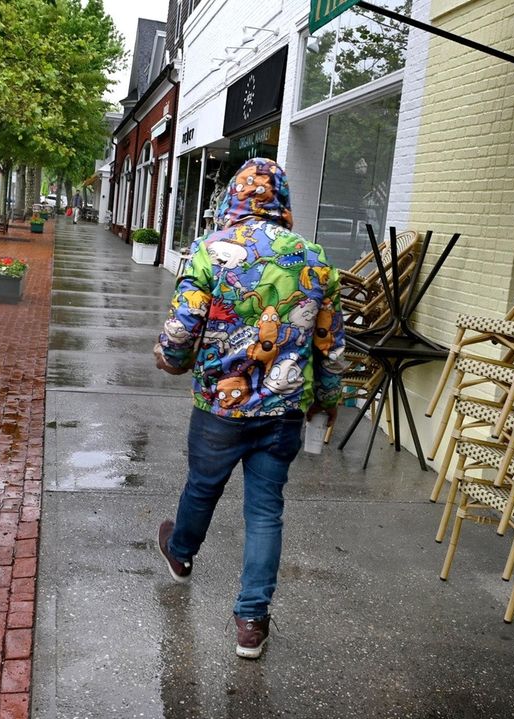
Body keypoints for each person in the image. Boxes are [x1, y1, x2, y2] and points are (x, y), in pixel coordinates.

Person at [152, 157, 347, 659]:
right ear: (282, 200)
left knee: (203, 485)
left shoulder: (209, 251)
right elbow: (331, 344)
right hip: (283, 411)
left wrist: (172, 360)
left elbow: (182, 324)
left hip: (220, 406)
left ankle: (180, 553)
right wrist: (327, 398)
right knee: (266, 511)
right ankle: (252, 620)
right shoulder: (315, 258)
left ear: (232, 198)